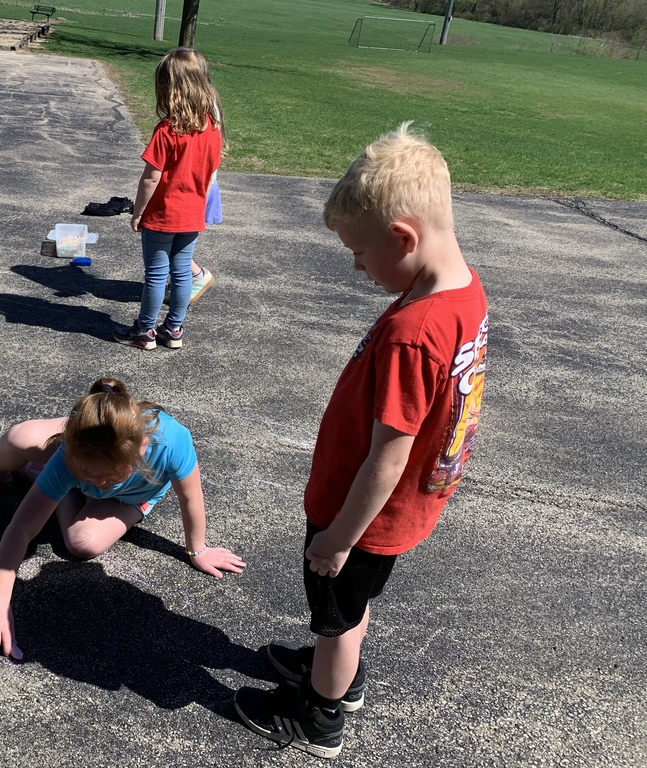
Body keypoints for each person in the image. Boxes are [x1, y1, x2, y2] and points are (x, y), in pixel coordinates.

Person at [234, 122, 489, 759]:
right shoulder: (463, 292)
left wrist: (338, 537)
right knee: (351, 607)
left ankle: (319, 718)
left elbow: (389, 452)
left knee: (337, 614)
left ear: (404, 238)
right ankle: (339, 677)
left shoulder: (415, 329)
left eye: (359, 251)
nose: (355, 264)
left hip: (360, 516)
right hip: (402, 512)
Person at [0, 376, 246, 659]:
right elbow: (21, 528)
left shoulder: (171, 441)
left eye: (108, 477)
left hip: (132, 498)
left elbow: (189, 496)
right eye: (89, 476)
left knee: (82, 544)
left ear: (140, 450)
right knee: (20, 437)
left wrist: (198, 550)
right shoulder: (70, 455)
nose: (99, 485)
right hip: (83, 451)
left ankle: (48, 487)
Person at [114, 48, 223, 351]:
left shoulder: (167, 130)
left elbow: (151, 178)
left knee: (156, 276)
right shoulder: (212, 129)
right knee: (182, 271)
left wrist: (137, 212)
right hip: (192, 216)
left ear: (167, 88)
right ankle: (173, 329)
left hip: (162, 216)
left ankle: (145, 331)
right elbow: (212, 170)